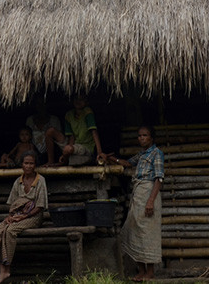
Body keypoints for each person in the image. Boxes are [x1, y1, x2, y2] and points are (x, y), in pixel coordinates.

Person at [106, 125, 163, 281]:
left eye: (145, 135)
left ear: (151, 138)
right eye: (139, 135)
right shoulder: (142, 154)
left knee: (148, 233)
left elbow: (159, 179)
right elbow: (128, 163)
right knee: (136, 231)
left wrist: (150, 201)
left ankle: (150, 272)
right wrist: (113, 159)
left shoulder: (157, 154)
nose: (141, 138)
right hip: (138, 195)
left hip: (149, 194)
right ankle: (141, 270)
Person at [0, 152, 48, 284]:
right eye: (26, 163)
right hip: (17, 216)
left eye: (31, 163)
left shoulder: (40, 180)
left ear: (35, 165)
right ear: (22, 165)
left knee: (10, 231)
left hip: (33, 217)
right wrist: (10, 217)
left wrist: (23, 217)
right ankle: (2, 270)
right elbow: (13, 203)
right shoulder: (18, 181)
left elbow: (40, 206)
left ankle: (7, 270)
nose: (29, 166)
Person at [49, 94, 103, 166]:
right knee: (50, 131)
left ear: (86, 102)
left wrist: (99, 153)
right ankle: (50, 161)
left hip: (85, 147)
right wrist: (68, 151)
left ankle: (64, 161)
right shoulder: (69, 114)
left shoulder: (87, 112)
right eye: (76, 99)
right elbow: (71, 137)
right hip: (73, 145)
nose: (78, 101)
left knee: (68, 149)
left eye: (81, 99)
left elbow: (94, 132)